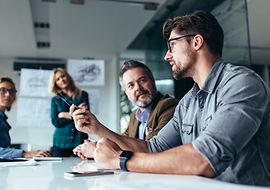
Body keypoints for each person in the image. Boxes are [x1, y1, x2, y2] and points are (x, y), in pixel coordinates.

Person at [70, 10, 270, 186]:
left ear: (196, 42)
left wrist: (120, 160)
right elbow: (153, 148)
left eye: (172, 45)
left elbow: (205, 159)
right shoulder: (187, 103)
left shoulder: (241, 84)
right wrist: (96, 128)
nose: (167, 56)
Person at [73, 60, 179, 159]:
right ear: (126, 93)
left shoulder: (169, 106)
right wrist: (97, 145)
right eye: (130, 85)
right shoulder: (135, 115)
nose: (138, 88)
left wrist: (96, 149)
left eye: (142, 80)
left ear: (153, 81)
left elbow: (152, 151)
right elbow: (123, 142)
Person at [0, 77, 50, 159]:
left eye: (12, 91)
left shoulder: (2, 118)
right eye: (3, 90)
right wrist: (25, 153)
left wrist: (34, 152)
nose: (8, 94)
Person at [48, 68, 89, 157]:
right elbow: (56, 122)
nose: (61, 80)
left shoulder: (83, 95)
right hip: (61, 142)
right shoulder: (55, 100)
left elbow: (85, 117)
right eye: (58, 79)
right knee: (58, 169)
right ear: (55, 83)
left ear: (68, 77)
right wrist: (75, 114)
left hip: (80, 139)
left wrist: (63, 114)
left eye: (63, 76)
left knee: (82, 168)